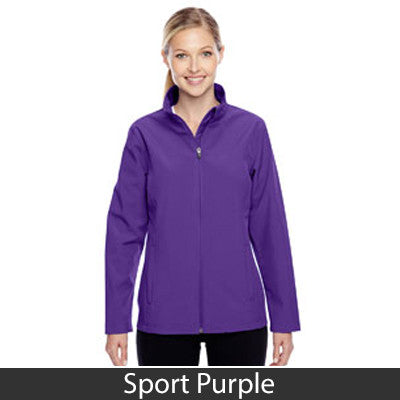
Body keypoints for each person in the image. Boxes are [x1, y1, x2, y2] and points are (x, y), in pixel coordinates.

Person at [105, 7, 301, 367]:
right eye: (182, 55)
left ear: (220, 54)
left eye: (205, 53)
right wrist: (116, 322)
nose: (194, 67)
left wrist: (284, 319)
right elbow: (124, 233)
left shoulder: (250, 131)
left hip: (241, 319)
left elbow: (270, 229)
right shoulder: (144, 135)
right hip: (163, 320)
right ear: (165, 58)